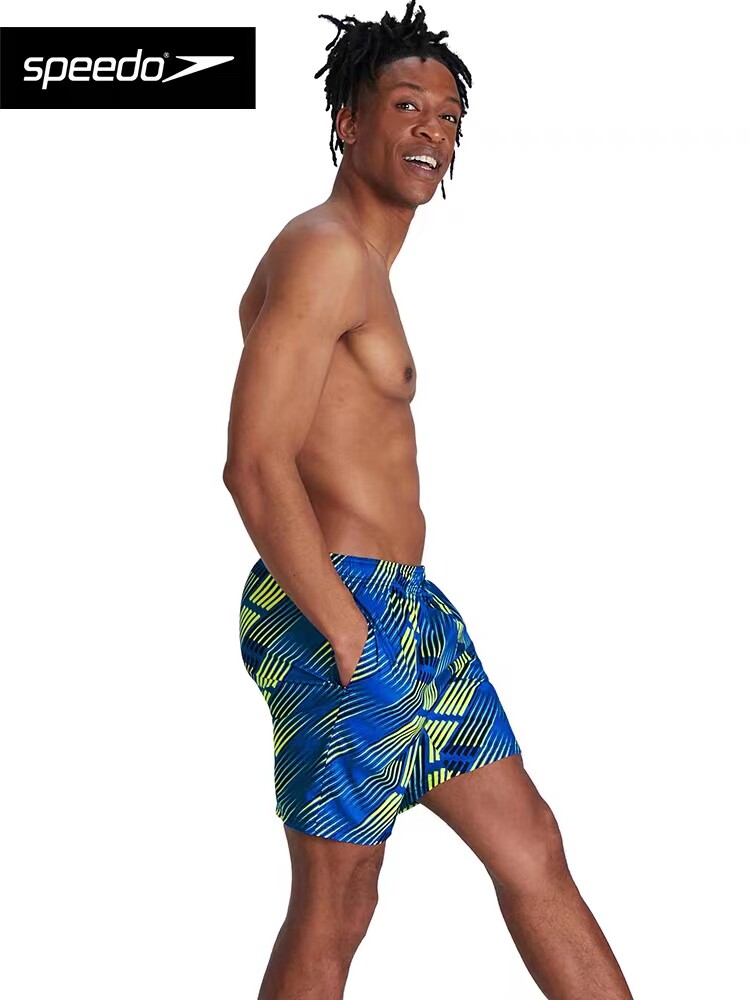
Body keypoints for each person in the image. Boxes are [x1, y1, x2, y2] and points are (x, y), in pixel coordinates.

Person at [223, 3, 633, 997]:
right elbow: (254, 462)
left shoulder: (363, 264)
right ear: (347, 122)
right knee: (339, 899)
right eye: (406, 106)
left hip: (409, 608)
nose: (431, 131)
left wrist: (380, 622)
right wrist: (343, 624)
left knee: (530, 845)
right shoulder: (323, 251)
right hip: (340, 600)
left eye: (448, 117)